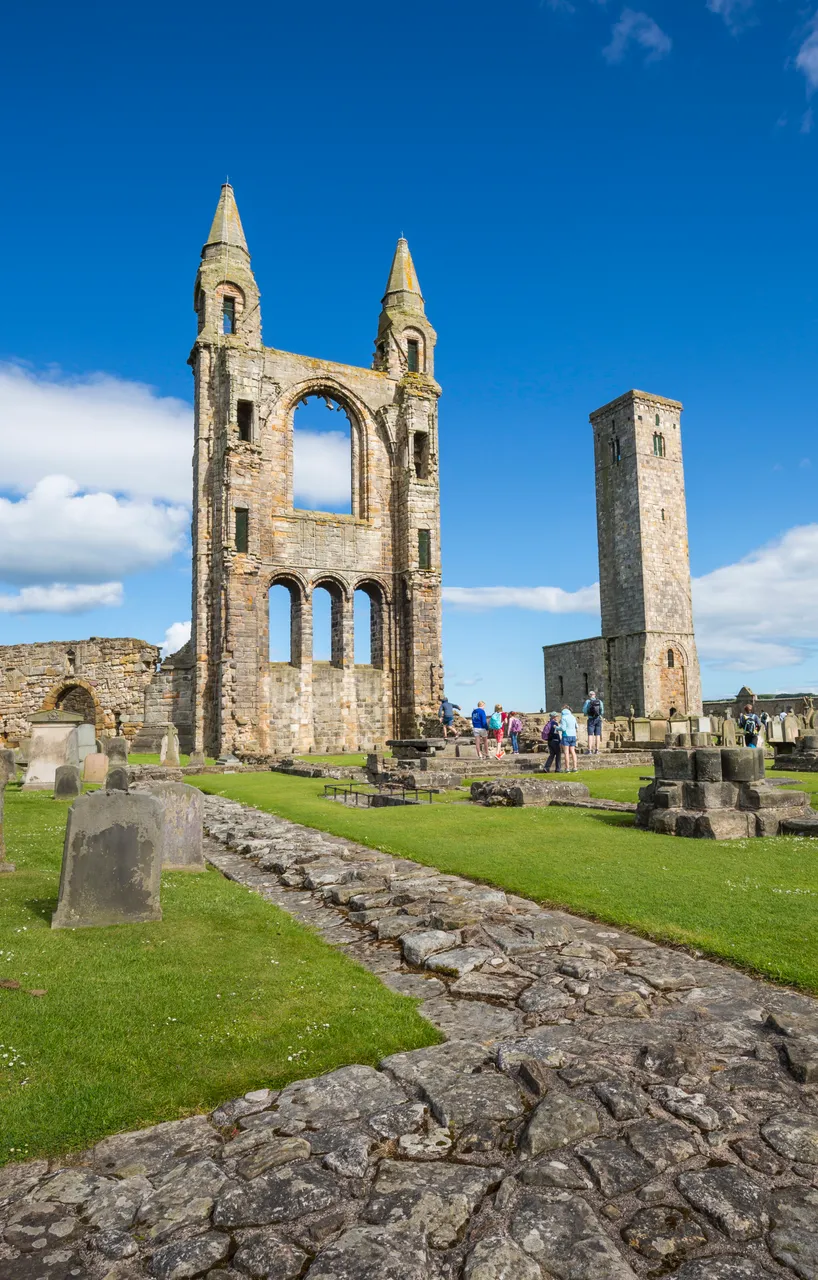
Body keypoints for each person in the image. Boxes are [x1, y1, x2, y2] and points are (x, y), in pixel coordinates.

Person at [582, 690, 604, 755]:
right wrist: (599, 714)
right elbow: (602, 711)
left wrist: (587, 714)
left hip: (591, 719)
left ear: (589, 695)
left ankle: (589, 750)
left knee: (590, 735)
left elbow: (584, 711)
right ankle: (597, 750)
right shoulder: (600, 701)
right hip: (598, 719)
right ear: (595, 695)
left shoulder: (588, 702)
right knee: (598, 735)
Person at [560, 704, 578, 772]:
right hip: (573, 736)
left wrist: (557, 728)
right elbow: (577, 726)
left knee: (566, 752)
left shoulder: (564, 718)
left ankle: (567, 768)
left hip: (566, 736)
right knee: (573, 751)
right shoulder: (573, 717)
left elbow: (563, 728)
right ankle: (575, 767)